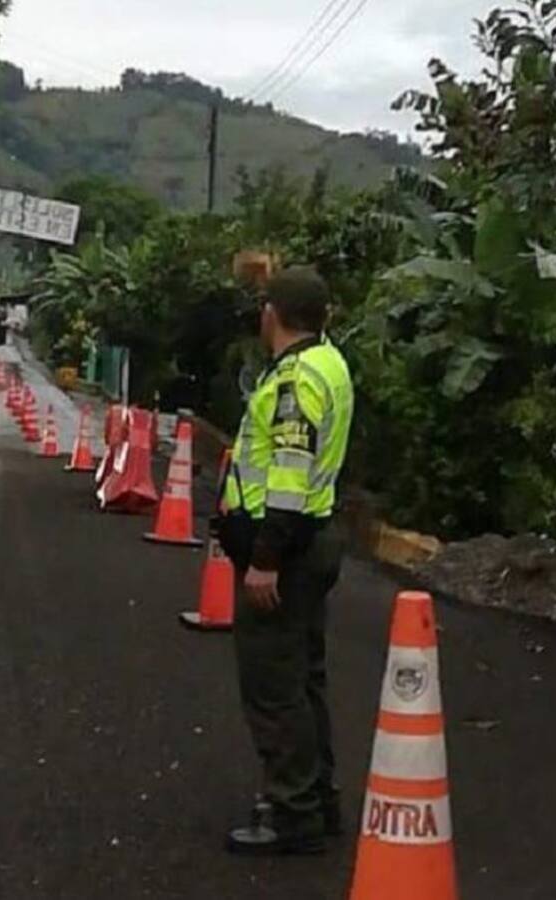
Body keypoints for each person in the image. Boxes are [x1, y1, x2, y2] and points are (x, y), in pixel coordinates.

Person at [217, 267, 354, 857]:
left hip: (288, 550)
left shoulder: (297, 381)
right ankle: (318, 799)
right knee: (305, 677)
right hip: (316, 537)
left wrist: (265, 559)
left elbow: (290, 476)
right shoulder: (330, 363)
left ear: (272, 313)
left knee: (274, 685)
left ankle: (293, 813)